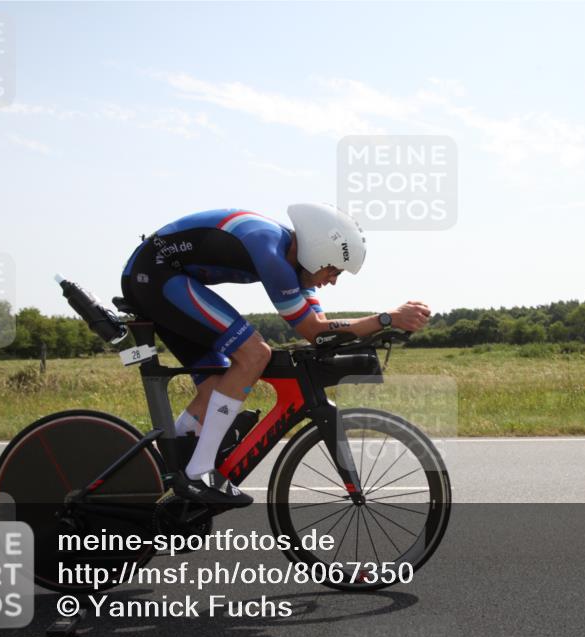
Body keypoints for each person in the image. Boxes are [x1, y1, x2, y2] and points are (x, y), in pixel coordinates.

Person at [120, 203, 430, 507]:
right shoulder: (271, 253)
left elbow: (324, 331)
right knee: (254, 354)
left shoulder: (295, 264)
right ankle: (198, 473)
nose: (333, 279)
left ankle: (162, 471)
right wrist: (385, 318)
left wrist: (377, 330)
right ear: (317, 252)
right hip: (154, 275)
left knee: (217, 383)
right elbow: (313, 330)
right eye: (333, 269)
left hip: (161, 276)